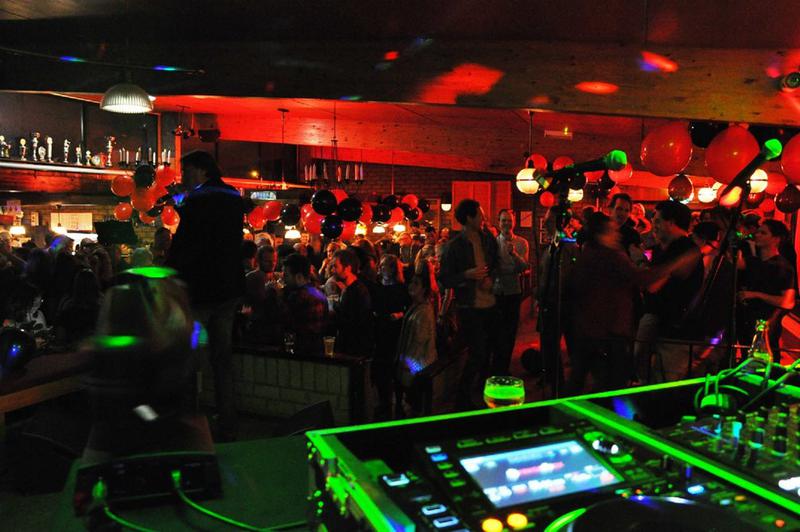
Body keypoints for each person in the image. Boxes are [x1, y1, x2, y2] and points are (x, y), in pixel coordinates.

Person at [567, 213, 700, 394]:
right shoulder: (611, 256)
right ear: (601, 234)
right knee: (613, 383)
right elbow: (642, 279)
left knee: (582, 379)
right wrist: (676, 264)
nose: (617, 235)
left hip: (588, 328)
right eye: (612, 231)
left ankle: (567, 408)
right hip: (610, 329)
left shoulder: (587, 253)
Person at [166, 150, 245, 441]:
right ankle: (228, 422)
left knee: (191, 359)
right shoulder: (233, 196)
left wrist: (170, 273)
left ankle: (191, 422)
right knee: (222, 360)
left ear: (201, 170)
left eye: (186, 171)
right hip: (229, 289)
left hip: (201, 291)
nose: (183, 177)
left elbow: (190, 242)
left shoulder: (199, 199)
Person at [634, 200, 704, 382]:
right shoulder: (662, 248)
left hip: (675, 330)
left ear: (671, 223)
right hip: (661, 322)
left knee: (665, 380)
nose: (653, 226)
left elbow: (652, 285)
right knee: (643, 367)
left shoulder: (685, 249)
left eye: (657, 221)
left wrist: (641, 267)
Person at [439, 199, 498, 409]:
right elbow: (444, 279)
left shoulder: (488, 239)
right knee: (477, 353)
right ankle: (462, 400)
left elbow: (495, 264)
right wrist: (467, 275)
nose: (483, 218)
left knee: (487, 352)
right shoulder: (454, 246)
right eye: (480, 214)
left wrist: (491, 278)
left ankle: (481, 393)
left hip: (490, 304)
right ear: (469, 218)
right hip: (469, 307)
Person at [737, 220, 796, 362]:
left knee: (765, 362)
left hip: (767, 324)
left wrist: (755, 295)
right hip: (747, 322)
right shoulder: (753, 262)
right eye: (758, 231)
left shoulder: (782, 266)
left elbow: (787, 302)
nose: (757, 235)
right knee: (746, 359)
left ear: (776, 239)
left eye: (763, 233)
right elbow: (736, 262)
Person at [395, 265, 438, 417]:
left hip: (416, 368)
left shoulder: (423, 312)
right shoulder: (417, 307)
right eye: (411, 282)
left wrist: (407, 367)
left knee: (412, 407)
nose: (411, 286)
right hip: (412, 366)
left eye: (416, 283)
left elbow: (418, 344)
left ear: (424, 289)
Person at [492, 209, 529, 376]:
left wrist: (513, 254)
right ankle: (496, 368)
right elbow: (492, 268)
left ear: (514, 222)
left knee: (510, 332)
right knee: (497, 332)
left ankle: (504, 367)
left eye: (509, 220)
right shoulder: (493, 243)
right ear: (499, 222)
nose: (506, 223)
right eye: (503, 220)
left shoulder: (522, 243)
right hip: (496, 292)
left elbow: (524, 267)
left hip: (513, 292)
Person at [280, 253, 328, 355]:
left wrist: (274, 295)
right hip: (318, 349)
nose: (283, 278)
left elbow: (283, 322)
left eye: (286, 275)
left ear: (299, 277)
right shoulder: (318, 291)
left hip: (300, 351)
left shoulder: (297, 297)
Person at [332, 248, 373, 357]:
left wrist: (334, 311)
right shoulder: (349, 289)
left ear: (347, 268)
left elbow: (353, 323)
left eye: (335, 266)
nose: (332, 270)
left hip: (353, 352)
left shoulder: (358, 292)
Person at [609, 193, 645, 265]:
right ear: (611, 209)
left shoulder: (633, 234)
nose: (623, 213)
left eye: (626, 210)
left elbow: (639, 260)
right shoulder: (601, 230)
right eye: (619, 209)